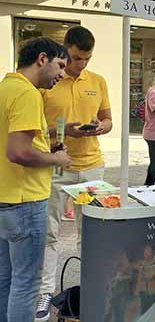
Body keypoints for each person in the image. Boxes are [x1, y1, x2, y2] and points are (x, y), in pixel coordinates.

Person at [36, 26, 113, 321]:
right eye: (76, 58)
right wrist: (63, 131)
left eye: (87, 59)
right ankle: (45, 292)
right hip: (57, 165)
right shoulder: (48, 80)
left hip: (93, 166)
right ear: (65, 49)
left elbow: (108, 120)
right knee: (49, 233)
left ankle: (93, 290)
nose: (81, 64)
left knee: (92, 234)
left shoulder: (98, 81)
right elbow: (34, 128)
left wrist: (101, 126)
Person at [0, 37, 71, 322]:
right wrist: (56, 159)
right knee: (26, 284)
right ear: (43, 58)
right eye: (61, 65)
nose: (63, 74)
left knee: (6, 280)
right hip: (25, 201)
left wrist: (45, 147)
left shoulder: (5, 87)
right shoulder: (28, 93)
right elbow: (17, 151)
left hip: (5, 199)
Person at [134, 245, 155, 313]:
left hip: (153, 291)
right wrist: (137, 290)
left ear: (152, 252)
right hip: (143, 291)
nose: (145, 252)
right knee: (144, 311)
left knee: (153, 311)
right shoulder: (141, 262)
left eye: (147, 250)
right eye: (144, 251)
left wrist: (153, 275)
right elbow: (139, 277)